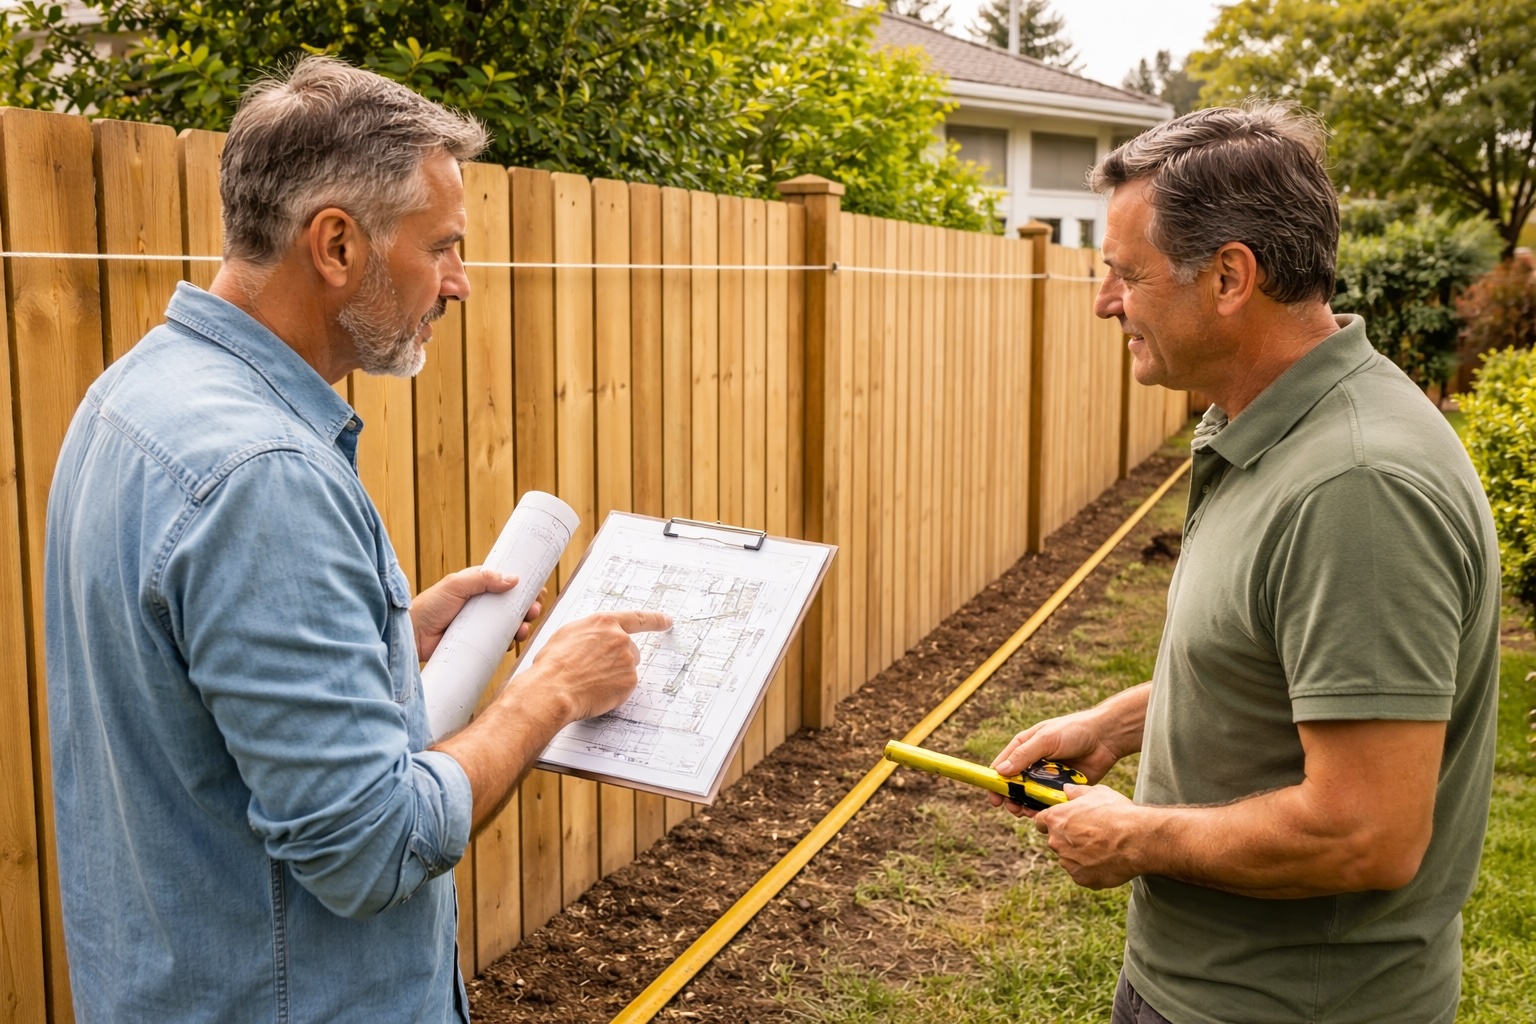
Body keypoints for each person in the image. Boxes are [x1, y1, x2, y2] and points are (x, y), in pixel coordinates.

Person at [43, 57, 669, 1024]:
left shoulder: (132, 395)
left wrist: (388, 640)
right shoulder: (263, 476)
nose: (460, 283)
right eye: (442, 246)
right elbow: (370, 850)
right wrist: (547, 695)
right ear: (336, 243)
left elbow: (190, 693)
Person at [989, 103, 1500, 1024]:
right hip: (1201, 986)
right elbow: (1292, 667)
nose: (1106, 303)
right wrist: (1121, 722)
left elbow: (1365, 833)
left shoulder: (1357, 486)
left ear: (1230, 276)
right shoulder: (1270, 426)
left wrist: (1135, 836)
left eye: (1126, 274)